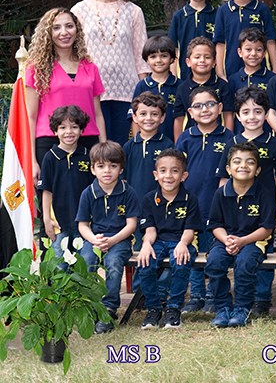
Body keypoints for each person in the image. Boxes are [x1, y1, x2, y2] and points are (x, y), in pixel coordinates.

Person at [215, 86, 276, 315]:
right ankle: (233, 299)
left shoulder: (274, 144)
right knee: (237, 256)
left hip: (264, 211)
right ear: (237, 116)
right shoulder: (232, 143)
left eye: (258, 111)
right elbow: (223, 179)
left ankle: (262, 298)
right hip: (235, 212)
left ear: (267, 114)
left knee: (262, 252)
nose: (252, 117)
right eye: (246, 112)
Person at [71, 0, 149, 145]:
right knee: (97, 148)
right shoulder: (79, 10)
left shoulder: (133, 11)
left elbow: (141, 56)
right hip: (92, 90)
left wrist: (144, 94)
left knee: (122, 147)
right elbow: (73, 54)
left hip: (127, 91)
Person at [25, 7, 105, 184]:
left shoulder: (90, 67)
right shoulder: (36, 69)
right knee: (53, 199)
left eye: (69, 26)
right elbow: (30, 117)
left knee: (88, 198)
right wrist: (31, 160)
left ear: (77, 30)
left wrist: (103, 151)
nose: (64, 32)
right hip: (49, 143)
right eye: (56, 27)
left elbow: (98, 114)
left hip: (88, 142)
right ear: (48, 33)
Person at [206, 141, 276, 328]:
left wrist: (242, 241)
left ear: (258, 170)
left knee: (245, 264)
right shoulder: (220, 193)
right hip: (225, 240)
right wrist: (227, 240)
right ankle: (223, 307)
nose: (243, 166)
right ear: (228, 169)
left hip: (254, 240)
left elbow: (267, 229)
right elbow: (215, 225)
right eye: (237, 161)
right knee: (214, 262)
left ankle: (242, 308)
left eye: (250, 162)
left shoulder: (264, 194)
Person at [174, 87, 232, 312]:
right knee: (192, 251)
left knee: (213, 251)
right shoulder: (185, 138)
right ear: (190, 112)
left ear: (220, 108)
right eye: (198, 106)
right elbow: (177, 171)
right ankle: (196, 295)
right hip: (191, 207)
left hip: (217, 207)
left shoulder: (229, 137)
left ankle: (213, 295)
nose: (204, 109)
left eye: (210, 104)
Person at [76, 141, 139, 333]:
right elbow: (82, 225)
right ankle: (92, 305)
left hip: (120, 240)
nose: (107, 171)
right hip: (95, 239)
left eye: (113, 166)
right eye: (101, 166)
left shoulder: (128, 192)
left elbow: (131, 225)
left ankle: (109, 309)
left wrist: (112, 241)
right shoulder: (88, 193)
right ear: (93, 169)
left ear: (121, 169)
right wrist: (94, 240)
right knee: (86, 261)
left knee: (113, 262)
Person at [136, 148, 202, 329]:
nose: (168, 176)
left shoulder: (190, 199)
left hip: (182, 241)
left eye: (175, 171)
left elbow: (189, 230)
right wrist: (146, 244)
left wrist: (182, 244)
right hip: (158, 241)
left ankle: (173, 308)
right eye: (163, 170)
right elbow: (150, 230)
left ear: (183, 175)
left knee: (181, 261)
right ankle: (154, 308)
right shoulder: (149, 199)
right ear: (156, 175)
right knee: (145, 262)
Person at [37, 105, 94, 256]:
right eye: (63, 127)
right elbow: (46, 191)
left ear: (81, 130)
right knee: (59, 265)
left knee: (85, 265)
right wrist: (46, 219)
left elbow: (94, 190)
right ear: (55, 131)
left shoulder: (88, 156)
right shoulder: (50, 157)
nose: (69, 132)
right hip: (58, 225)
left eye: (74, 127)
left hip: (84, 224)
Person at [122, 92, 174, 252]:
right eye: (143, 114)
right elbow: (123, 180)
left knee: (162, 250)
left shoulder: (168, 145)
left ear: (162, 117)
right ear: (135, 117)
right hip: (136, 209)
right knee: (139, 251)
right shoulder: (128, 147)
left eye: (154, 114)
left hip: (161, 208)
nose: (148, 118)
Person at [213, 0, 276, 78]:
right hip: (231, 71)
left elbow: (270, 40)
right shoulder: (223, 11)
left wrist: (275, 69)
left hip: (261, 72)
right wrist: (220, 73)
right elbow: (220, 43)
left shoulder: (262, 9)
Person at [171, 37, 235, 139]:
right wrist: (178, 144)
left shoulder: (223, 86)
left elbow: (228, 115)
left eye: (207, 57)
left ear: (214, 62)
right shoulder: (182, 88)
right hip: (191, 140)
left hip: (218, 139)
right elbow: (179, 119)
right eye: (197, 57)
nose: (202, 60)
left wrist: (229, 141)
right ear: (188, 62)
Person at [167, 0, 216, 81]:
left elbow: (221, 48)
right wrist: (174, 77)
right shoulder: (179, 16)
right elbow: (173, 49)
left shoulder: (217, 15)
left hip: (212, 79)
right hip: (185, 78)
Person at [131, 36, 179, 141]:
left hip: (174, 143)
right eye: (153, 56)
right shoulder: (142, 85)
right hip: (147, 143)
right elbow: (135, 118)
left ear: (172, 59)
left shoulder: (180, 85)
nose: (158, 60)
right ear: (147, 60)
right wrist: (137, 143)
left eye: (163, 56)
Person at [227, 27, 276, 93]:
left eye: (258, 50)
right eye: (248, 49)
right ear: (240, 52)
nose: (253, 54)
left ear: (264, 53)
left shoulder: (273, 79)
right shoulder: (233, 80)